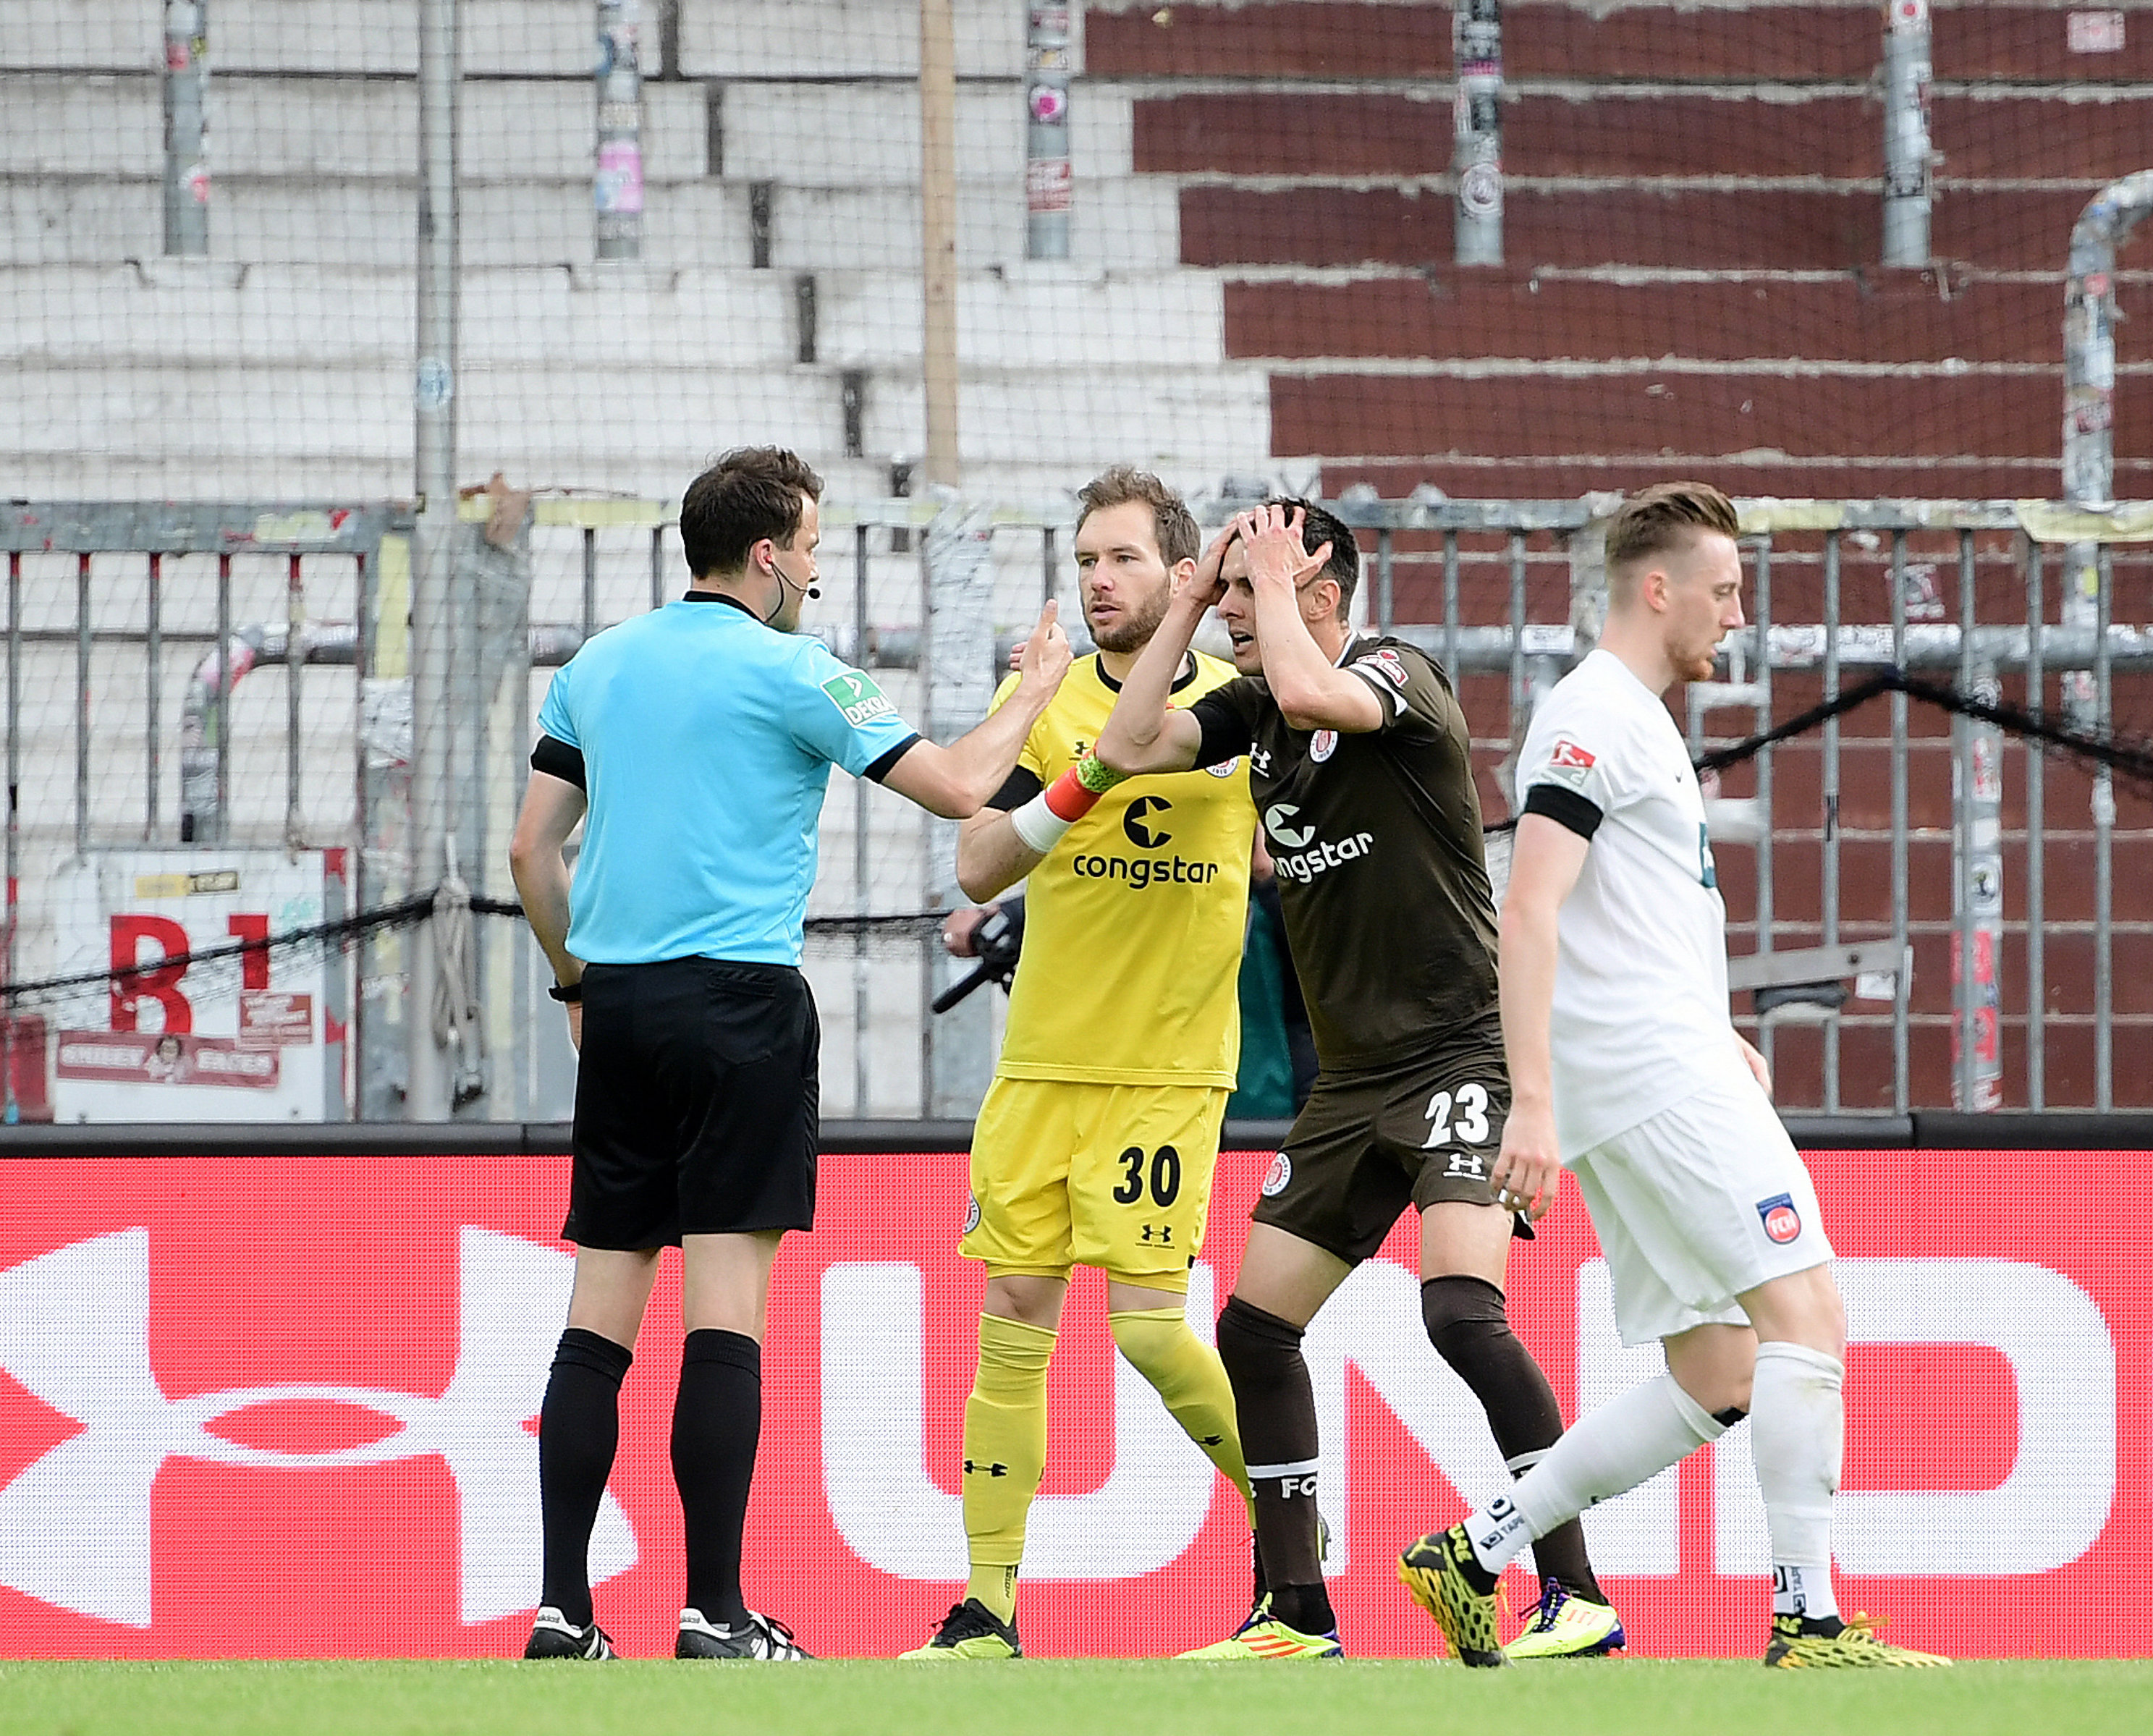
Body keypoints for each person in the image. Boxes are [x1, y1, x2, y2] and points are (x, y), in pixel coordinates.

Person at [508, 446, 1071, 1661]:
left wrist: (573, 986)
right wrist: (1033, 692)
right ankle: (714, 1612)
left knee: (595, 1323)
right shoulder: (796, 670)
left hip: (622, 1012)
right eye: (812, 548)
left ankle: (562, 1611)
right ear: (768, 555)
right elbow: (966, 788)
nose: (816, 571)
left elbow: (530, 854)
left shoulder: (597, 667)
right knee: (725, 1319)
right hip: (742, 1010)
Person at [1392, 482, 1948, 1669]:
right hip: (1645, 1074)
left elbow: (1624, 911)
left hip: (1660, 1059)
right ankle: (1808, 1621)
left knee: (1722, 1366)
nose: (1737, 616)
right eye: (1726, 589)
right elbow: (1528, 908)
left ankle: (1477, 1553)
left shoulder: (1632, 716)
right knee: (1806, 1308)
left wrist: (1716, 1022)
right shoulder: (1593, 712)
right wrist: (1530, 1104)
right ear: (1660, 589)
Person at [1096, 501, 1620, 1661]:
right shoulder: (1253, 710)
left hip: (1457, 1052)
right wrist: (1186, 600)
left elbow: (1326, 695)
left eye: (1248, 590)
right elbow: (1131, 744)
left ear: (1317, 585)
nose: (1231, 611)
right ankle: (1296, 1616)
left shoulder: (1395, 672)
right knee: (1253, 1331)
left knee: (1458, 1315)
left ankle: (1574, 1593)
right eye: (1228, 595)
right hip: (1350, 1083)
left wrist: (1271, 592)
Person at [900, 465, 1261, 1659]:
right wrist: (1077, 772)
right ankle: (987, 1609)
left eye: (1122, 560)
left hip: (1165, 1070)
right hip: (1045, 1065)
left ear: (1181, 572)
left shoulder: (1244, 705)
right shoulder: (1045, 702)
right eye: (1085, 563)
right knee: (1012, 1318)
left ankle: (1295, 1555)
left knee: (1152, 1331)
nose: (1100, 582)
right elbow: (978, 864)